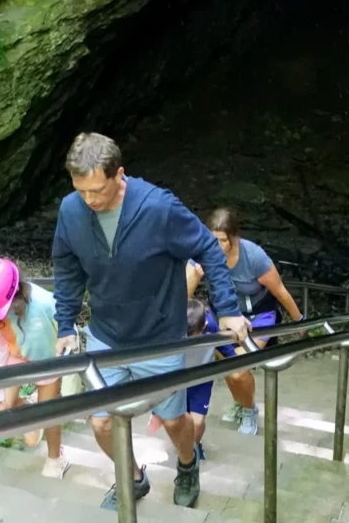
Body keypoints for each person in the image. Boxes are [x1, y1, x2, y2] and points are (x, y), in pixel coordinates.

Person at [52, 133, 251, 511]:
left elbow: (208, 247)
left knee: (174, 421)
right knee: (102, 424)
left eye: (97, 190)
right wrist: (65, 325)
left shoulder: (158, 208)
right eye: (82, 191)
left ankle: (188, 465)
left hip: (158, 337)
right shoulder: (71, 211)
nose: (90, 200)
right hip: (106, 336)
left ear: (119, 174)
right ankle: (132, 477)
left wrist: (227, 308)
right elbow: (67, 268)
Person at [186, 207, 303, 436]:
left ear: (234, 237)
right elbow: (184, 299)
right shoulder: (202, 252)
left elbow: (280, 291)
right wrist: (195, 277)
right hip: (221, 317)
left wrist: (300, 322)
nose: (217, 246)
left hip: (259, 317)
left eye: (223, 240)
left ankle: (249, 410)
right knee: (228, 369)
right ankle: (240, 403)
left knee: (238, 370)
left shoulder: (254, 257)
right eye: (213, 240)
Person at [0, 256, 69, 479]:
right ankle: (29, 409)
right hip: (16, 348)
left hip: (48, 350)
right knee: (4, 408)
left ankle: (56, 457)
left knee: (48, 410)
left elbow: (47, 362)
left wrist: (43, 402)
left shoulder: (40, 310)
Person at [149, 299, 220, 460]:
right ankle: (186, 450)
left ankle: (194, 447)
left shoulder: (212, 327)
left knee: (198, 421)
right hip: (177, 378)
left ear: (203, 327)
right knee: (177, 420)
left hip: (201, 379)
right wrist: (156, 410)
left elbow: (225, 346)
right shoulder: (172, 331)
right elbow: (158, 368)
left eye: (192, 335)